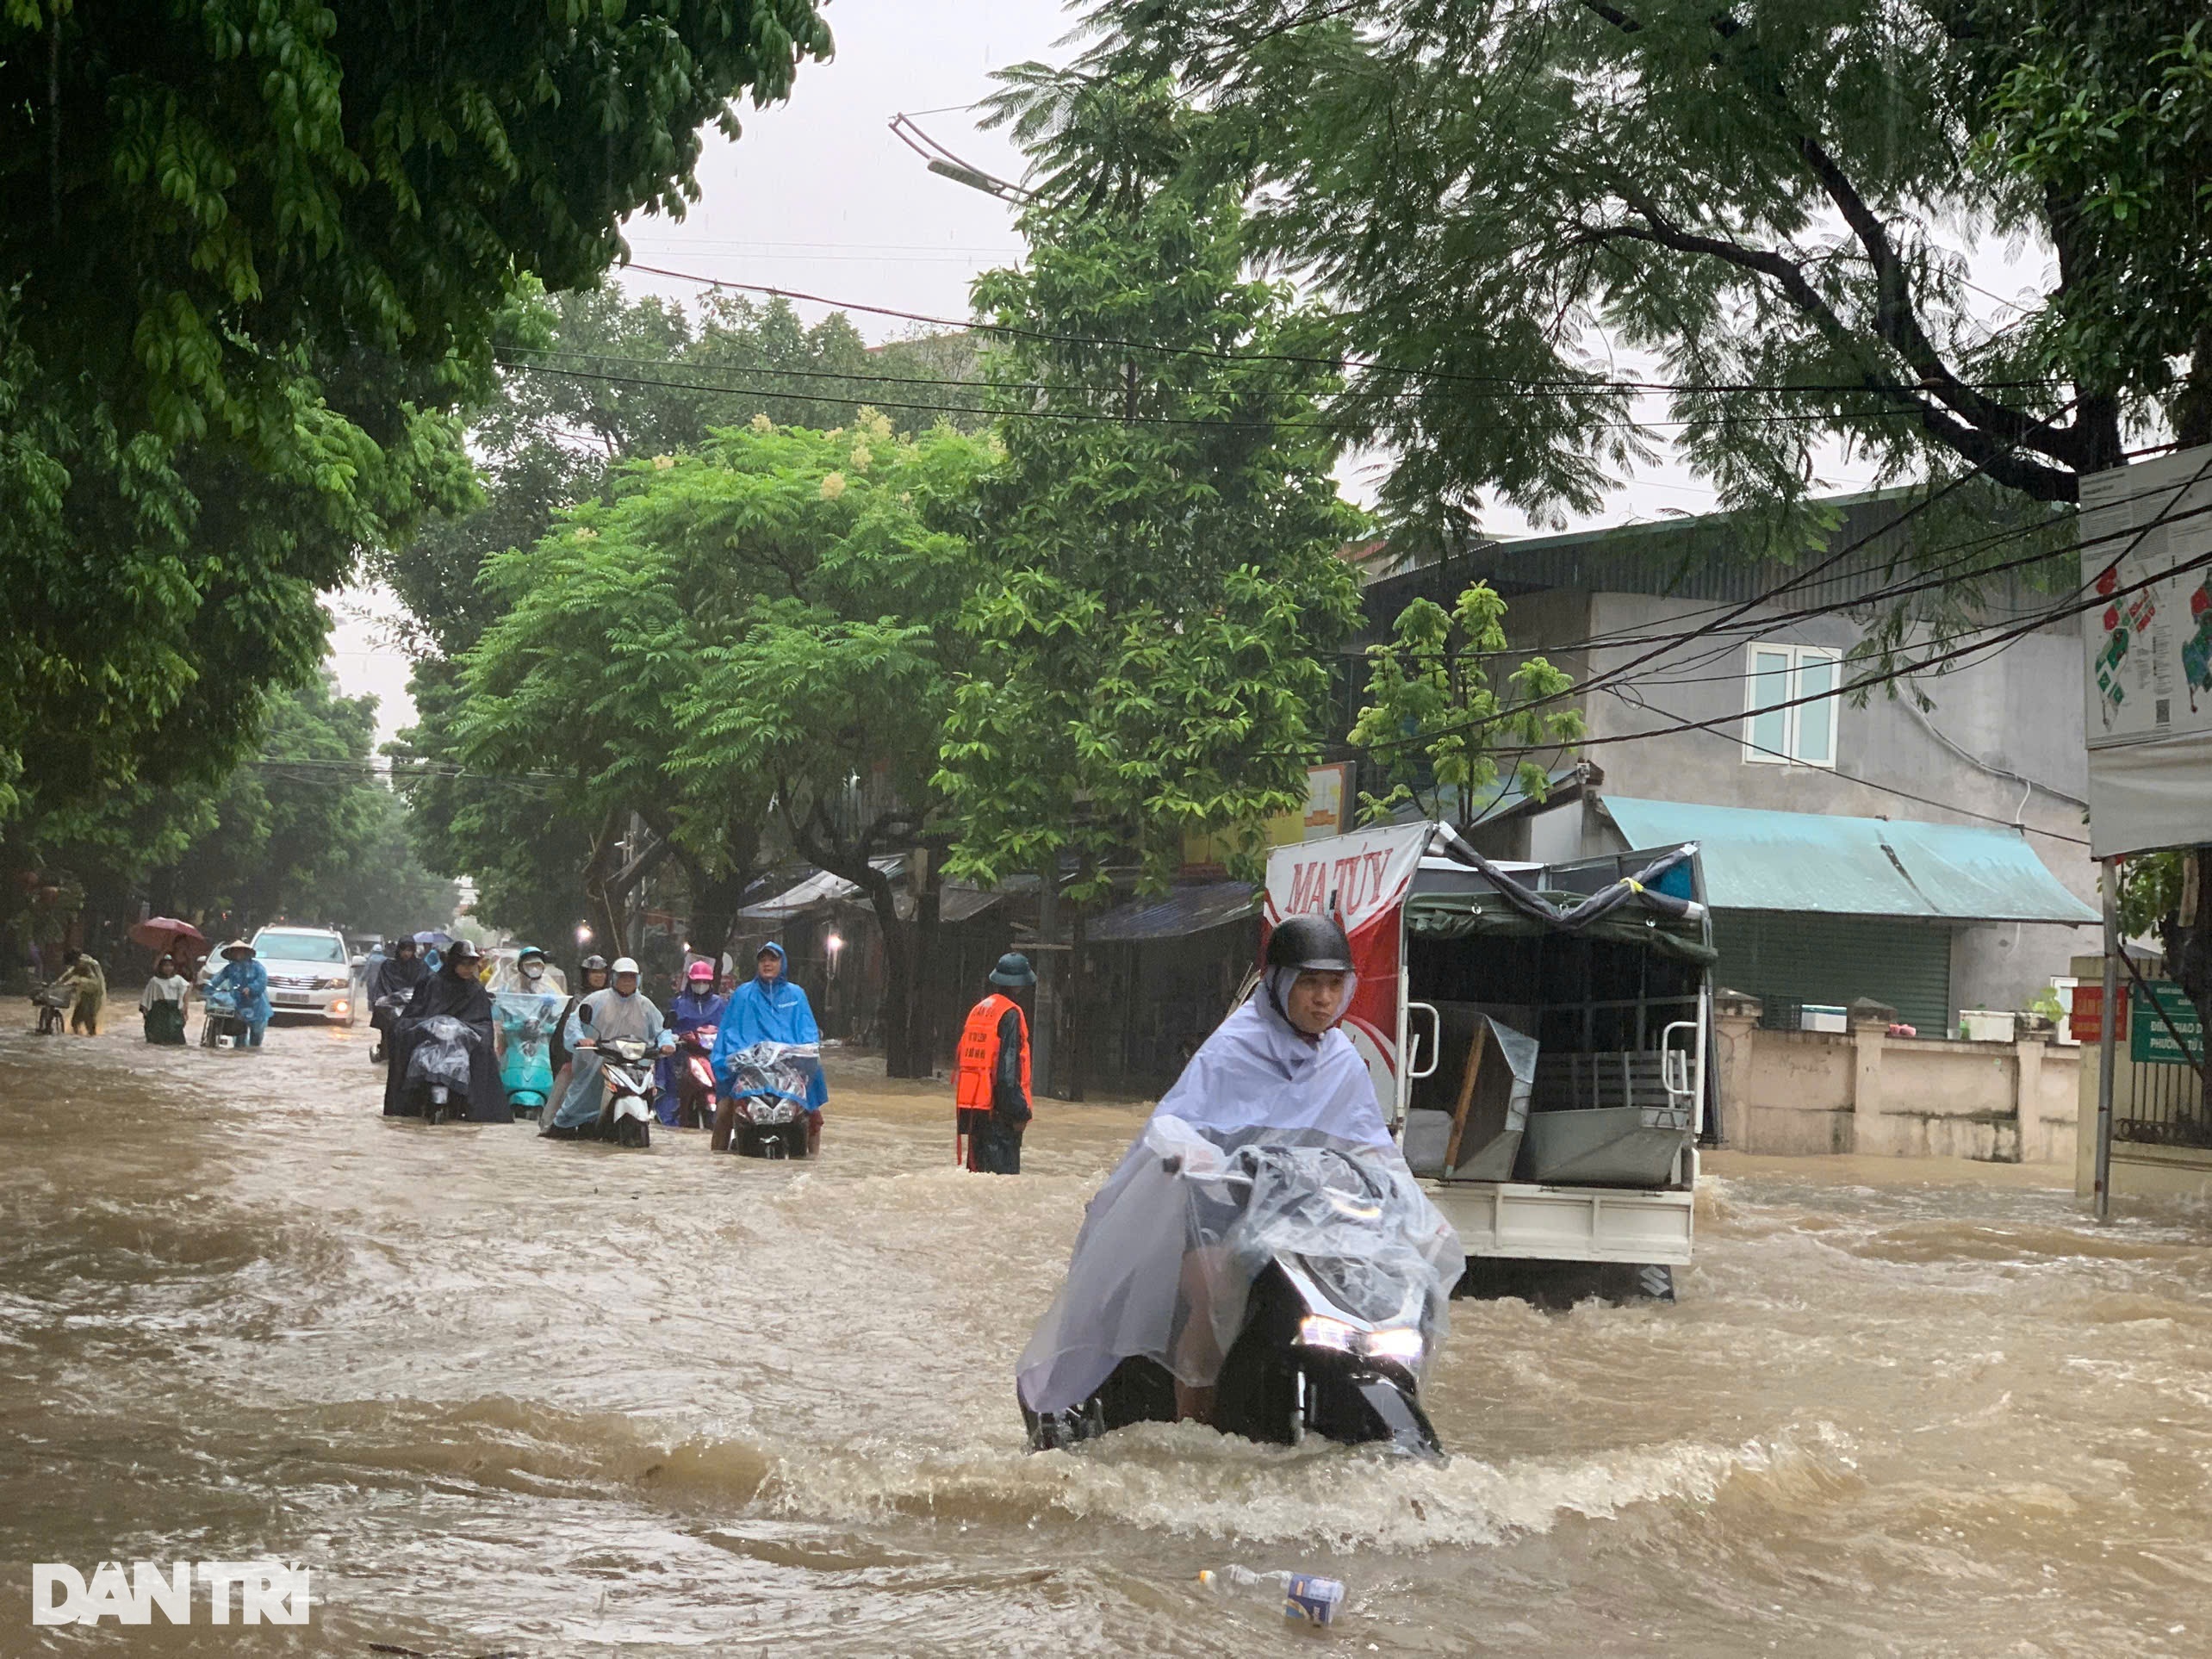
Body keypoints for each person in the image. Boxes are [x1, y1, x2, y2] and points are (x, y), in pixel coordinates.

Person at [1014, 915, 1459, 1429]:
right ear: (1279, 983)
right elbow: (1174, 1121)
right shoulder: (1233, 1047)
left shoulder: (1341, 1061)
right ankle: (1194, 1424)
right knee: (1213, 1292)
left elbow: (1375, 1150)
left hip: (1309, 1230)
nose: (1323, 999)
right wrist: (1195, 1155)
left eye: (1334, 984)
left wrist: (1420, 1212)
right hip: (1219, 1213)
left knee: (1406, 1282)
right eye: (1310, 983)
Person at [711, 942, 828, 1153]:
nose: (767, 964)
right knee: (723, 1110)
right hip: (749, 1070)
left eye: (772, 960)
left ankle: (813, 1163)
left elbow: (807, 1031)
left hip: (791, 1070)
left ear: (781, 963)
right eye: (763, 960)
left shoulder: (796, 995)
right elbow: (729, 1033)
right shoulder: (743, 995)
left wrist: (805, 1052)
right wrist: (734, 1056)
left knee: (813, 1112)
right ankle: (717, 1158)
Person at [545, 955, 671, 1138]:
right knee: (578, 1103)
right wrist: (582, 1039)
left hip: (633, 1065)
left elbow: (662, 1029)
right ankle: (561, 1127)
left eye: (631, 977)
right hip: (595, 1063)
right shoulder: (595, 1000)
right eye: (623, 976)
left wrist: (666, 1043)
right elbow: (574, 1023)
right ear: (613, 977)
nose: (627, 981)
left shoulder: (646, 1005)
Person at [383, 938, 508, 1120]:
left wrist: (467, 1032)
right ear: (453, 962)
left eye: (471, 964)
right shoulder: (430, 983)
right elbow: (411, 1015)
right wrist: (427, 1026)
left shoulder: (476, 990)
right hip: (429, 1044)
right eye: (463, 963)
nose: (467, 968)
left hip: (463, 1046)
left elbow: (484, 1024)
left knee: (483, 1056)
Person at [955, 953, 1035, 1175]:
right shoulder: (1010, 1015)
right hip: (1000, 1118)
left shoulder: (979, 1010)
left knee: (978, 1182)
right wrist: (1020, 1113)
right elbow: (1007, 1076)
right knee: (1003, 1188)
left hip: (975, 1114)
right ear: (1019, 985)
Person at [492, 946, 566, 1114]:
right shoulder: (507, 989)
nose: (533, 969)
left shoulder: (550, 992)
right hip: (513, 1041)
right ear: (520, 967)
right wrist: (510, 1027)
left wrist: (545, 1024)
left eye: (538, 965)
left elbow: (559, 1016)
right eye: (529, 965)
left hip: (541, 1043)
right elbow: (497, 1015)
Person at [656, 959, 728, 1126]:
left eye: (705, 981)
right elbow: (668, 1028)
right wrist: (674, 1037)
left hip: (714, 1054)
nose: (701, 985)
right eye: (697, 981)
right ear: (690, 982)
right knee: (667, 1066)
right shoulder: (679, 1004)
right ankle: (670, 1109)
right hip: (684, 1055)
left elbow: (730, 1026)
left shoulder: (721, 1004)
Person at [544, 953, 612, 1123]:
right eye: (594, 973)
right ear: (586, 976)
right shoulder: (578, 1001)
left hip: (609, 1057)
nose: (599, 976)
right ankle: (557, 1123)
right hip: (580, 1058)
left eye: (602, 972)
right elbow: (564, 1034)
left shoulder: (615, 1000)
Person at [367, 935, 429, 1063]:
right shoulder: (388, 966)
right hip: (392, 1007)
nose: (406, 954)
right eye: (404, 950)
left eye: (409, 950)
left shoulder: (421, 966)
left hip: (414, 1007)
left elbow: (429, 985)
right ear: (398, 950)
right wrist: (390, 999)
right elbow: (382, 987)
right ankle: (385, 1051)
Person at [206, 940, 272, 1049]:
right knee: (239, 1034)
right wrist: (209, 990)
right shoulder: (229, 968)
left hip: (256, 1005)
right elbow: (217, 980)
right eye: (235, 952)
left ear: (246, 952)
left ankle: (253, 1052)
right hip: (238, 1004)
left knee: (256, 1035)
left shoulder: (257, 967)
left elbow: (262, 980)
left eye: (240, 951)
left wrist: (251, 988)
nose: (238, 954)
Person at [139, 954, 192, 1045]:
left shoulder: (178, 979)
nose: (168, 968)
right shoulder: (154, 980)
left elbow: (186, 989)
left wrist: (185, 1007)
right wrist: (145, 1010)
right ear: (161, 967)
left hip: (173, 1010)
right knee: (157, 1037)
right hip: (159, 1010)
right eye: (165, 965)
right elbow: (147, 996)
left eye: (170, 965)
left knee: (175, 1034)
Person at [61, 948, 107, 1035]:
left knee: (89, 1020)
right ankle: (78, 1039)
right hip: (84, 994)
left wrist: (79, 982)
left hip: (95, 995)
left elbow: (95, 983)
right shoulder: (79, 964)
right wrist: (56, 983)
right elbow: (68, 974)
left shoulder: (88, 965)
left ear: (75, 960)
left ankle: (91, 1039)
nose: (72, 966)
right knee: (75, 1021)